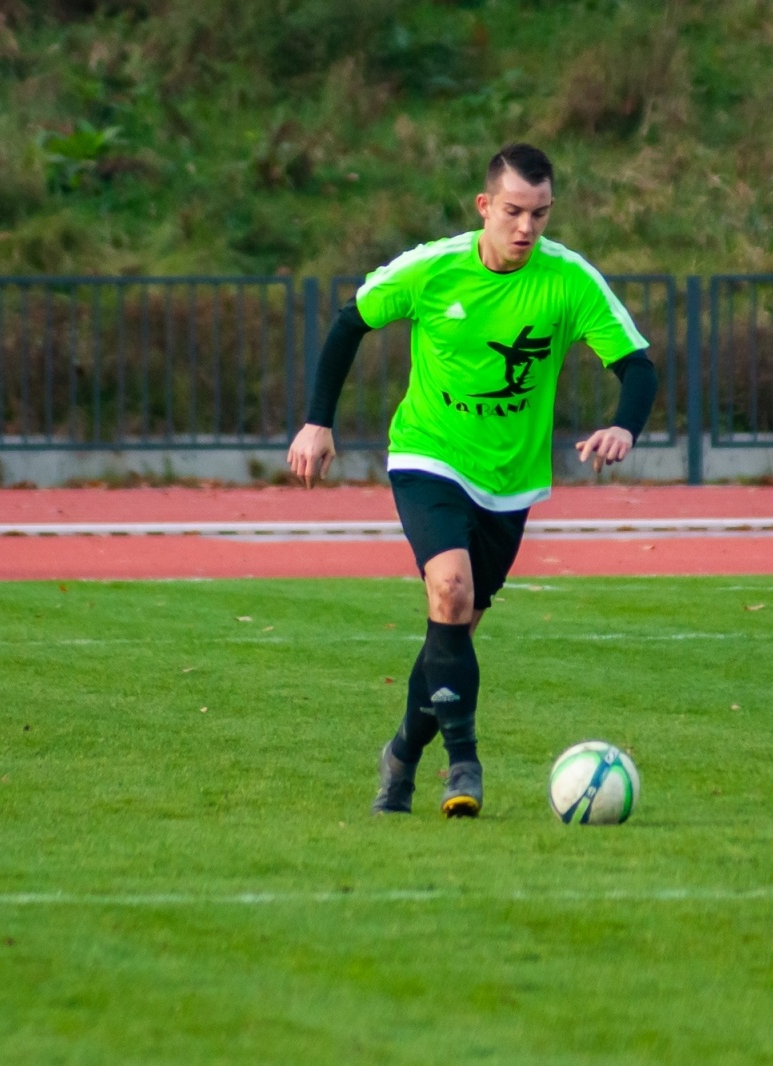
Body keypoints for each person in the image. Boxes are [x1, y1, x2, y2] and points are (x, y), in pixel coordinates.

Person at [286, 143, 658, 818]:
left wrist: (624, 426)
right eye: (513, 211)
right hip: (428, 454)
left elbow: (637, 365)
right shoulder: (434, 268)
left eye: (540, 214)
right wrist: (318, 423)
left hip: (509, 481)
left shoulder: (567, 280)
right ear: (485, 205)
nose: (526, 228)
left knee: (451, 629)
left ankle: (400, 754)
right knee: (449, 590)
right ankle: (464, 764)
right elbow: (350, 323)